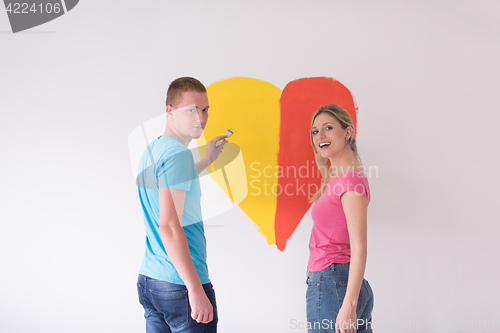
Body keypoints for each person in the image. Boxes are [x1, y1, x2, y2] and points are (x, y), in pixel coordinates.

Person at [136, 77, 227, 333]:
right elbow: (168, 225)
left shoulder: (154, 150)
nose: (200, 116)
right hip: (179, 286)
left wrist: (207, 159)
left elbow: (172, 184)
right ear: (169, 111)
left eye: (205, 109)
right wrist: (195, 288)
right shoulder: (177, 155)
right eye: (191, 110)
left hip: (151, 281)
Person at [306, 104, 374, 333]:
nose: (320, 135)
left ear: (347, 132)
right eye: (315, 131)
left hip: (332, 285)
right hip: (339, 284)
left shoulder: (350, 182)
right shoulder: (339, 177)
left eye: (328, 128)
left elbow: (360, 246)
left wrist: (349, 304)